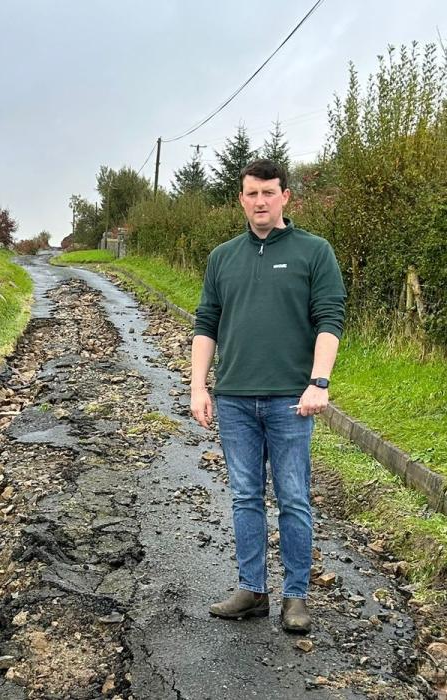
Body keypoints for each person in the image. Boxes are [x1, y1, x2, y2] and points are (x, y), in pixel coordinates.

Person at [190, 158, 346, 633]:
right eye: (252, 193)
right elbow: (205, 324)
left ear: (285, 197)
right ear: (241, 198)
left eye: (269, 192)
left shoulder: (313, 252)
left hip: (290, 401)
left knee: (294, 497)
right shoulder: (223, 257)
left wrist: (319, 382)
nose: (260, 201)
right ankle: (252, 589)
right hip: (234, 397)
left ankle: (295, 597)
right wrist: (198, 386)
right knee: (245, 497)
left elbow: (330, 320)